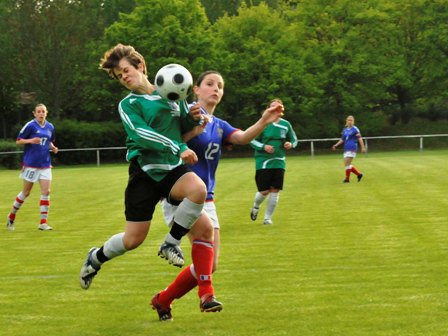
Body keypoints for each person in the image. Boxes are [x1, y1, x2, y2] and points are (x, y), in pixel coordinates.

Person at [79, 44, 222, 313]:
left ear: (141, 66)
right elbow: (143, 134)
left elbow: (184, 132)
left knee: (198, 190)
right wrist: (178, 147)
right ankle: (95, 257)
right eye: (120, 77)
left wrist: (194, 120)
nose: (124, 78)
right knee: (133, 239)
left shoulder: (172, 94)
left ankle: (171, 243)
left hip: (170, 171)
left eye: (126, 71)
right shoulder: (129, 104)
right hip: (144, 173)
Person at [151, 71, 284, 321]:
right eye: (210, 84)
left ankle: (164, 299)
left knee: (210, 266)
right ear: (196, 89)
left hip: (207, 198)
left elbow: (242, 138)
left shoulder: (218, 124)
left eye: (220, 86)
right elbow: (169, 140)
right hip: (181, 193)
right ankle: (206, 294)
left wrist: (265, 120)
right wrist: (190, 130)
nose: (216, 89)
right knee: (204, 245)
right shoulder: (184, 114)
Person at [6, 103, 58, 231]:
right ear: (34, 113)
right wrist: (30, 141)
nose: (41, 113)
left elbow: (49, 140)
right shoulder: (30, 125)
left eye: (43, 111)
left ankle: (43, 223)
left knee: (46, 192)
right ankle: (11, 216)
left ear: (46, 113)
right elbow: (18, 141)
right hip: (31, 164)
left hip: (45, 164)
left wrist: (53, 147)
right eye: (38, 112)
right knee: (26, 192)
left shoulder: (50, 126)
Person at [250, 99, 298, 225]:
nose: (275, 109)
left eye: (278, 107)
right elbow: (252, 140)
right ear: (268, 109)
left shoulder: (286, 124)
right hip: (263, 161)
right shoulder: (262, 124)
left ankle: (267, 218)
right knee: (264, 191)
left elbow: (294, 139)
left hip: (279, 161)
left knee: (275, 190)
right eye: (272, 107)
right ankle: (255, 206)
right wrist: (263, 147)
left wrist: (290, 144)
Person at [332, 115, 366, 183]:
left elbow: (360, 138)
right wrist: (336, 145)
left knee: (347, 164)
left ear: (353, 122)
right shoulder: (345, 130)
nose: (350, 121)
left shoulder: (355, 129)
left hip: (352, 147)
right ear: (346, 121)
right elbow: (342, 139)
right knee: (347, 164)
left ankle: (347, 179)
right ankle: (359, 174)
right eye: (349, 120)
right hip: (346, 148)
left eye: (351, 120)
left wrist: (363, 147)